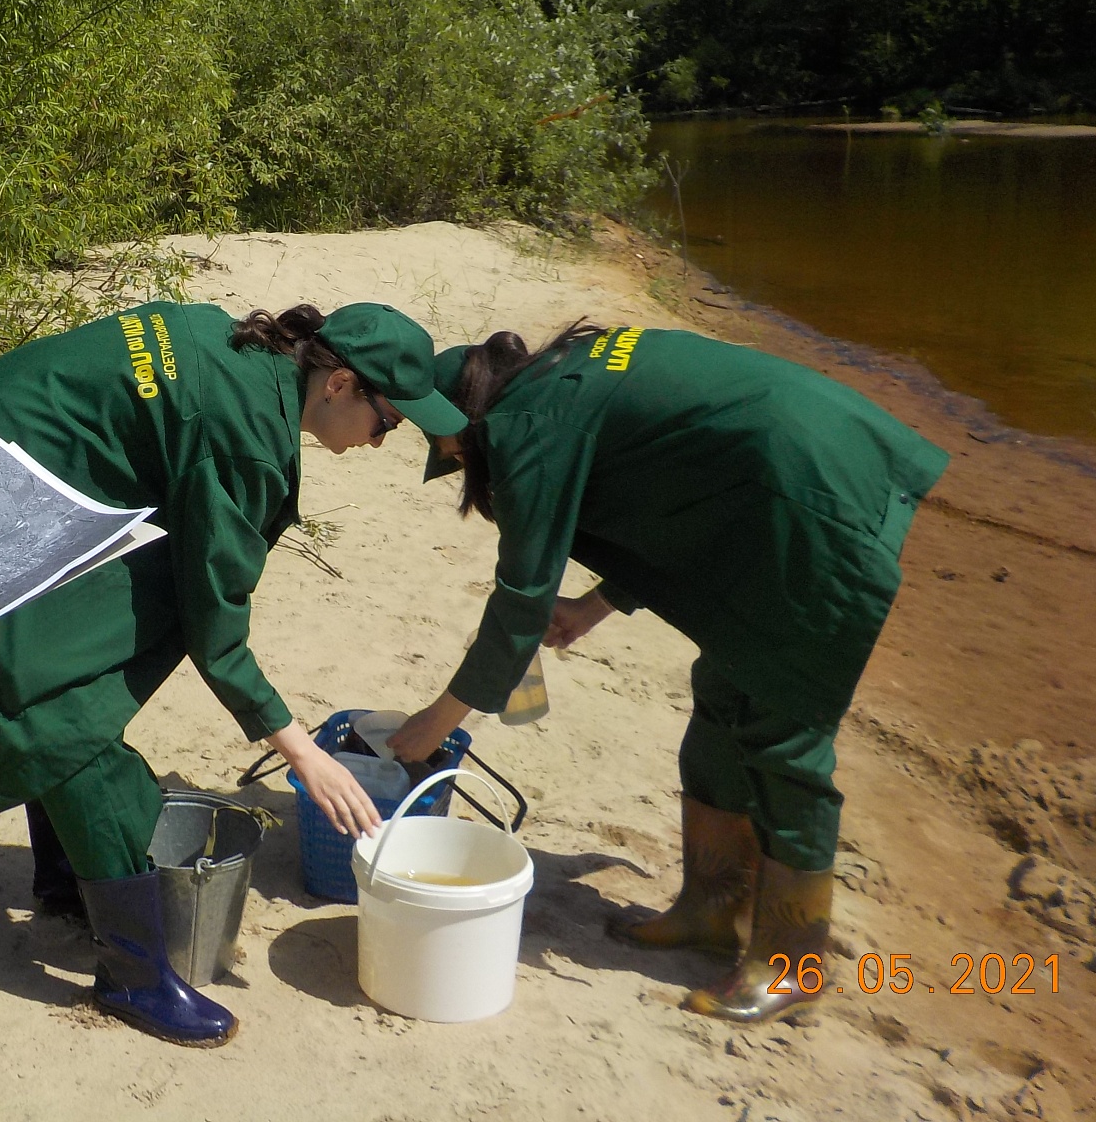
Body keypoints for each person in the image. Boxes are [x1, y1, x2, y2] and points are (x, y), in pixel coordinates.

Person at [0, 301, 469, 1045]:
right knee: (62, 717)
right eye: (389, 424)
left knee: (98, 646)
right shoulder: (247, 439)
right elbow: (218, 625)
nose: (381, 441)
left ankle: (63, 881)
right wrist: (301, 752)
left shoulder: (238, 345)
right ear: (339, 384)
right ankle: (134, 975)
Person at [386, 323, 948, 1023]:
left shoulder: (526, 427)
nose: (444, 454)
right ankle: (711, 911)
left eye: (438, 442)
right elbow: (672, 483)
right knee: (722, 693)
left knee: (782, 731)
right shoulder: (561, 378)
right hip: (769, 484)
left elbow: (521, 598)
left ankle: (794, 966)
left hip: (812, 500)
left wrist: (435, 723)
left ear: (461, 423)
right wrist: (595, 605)